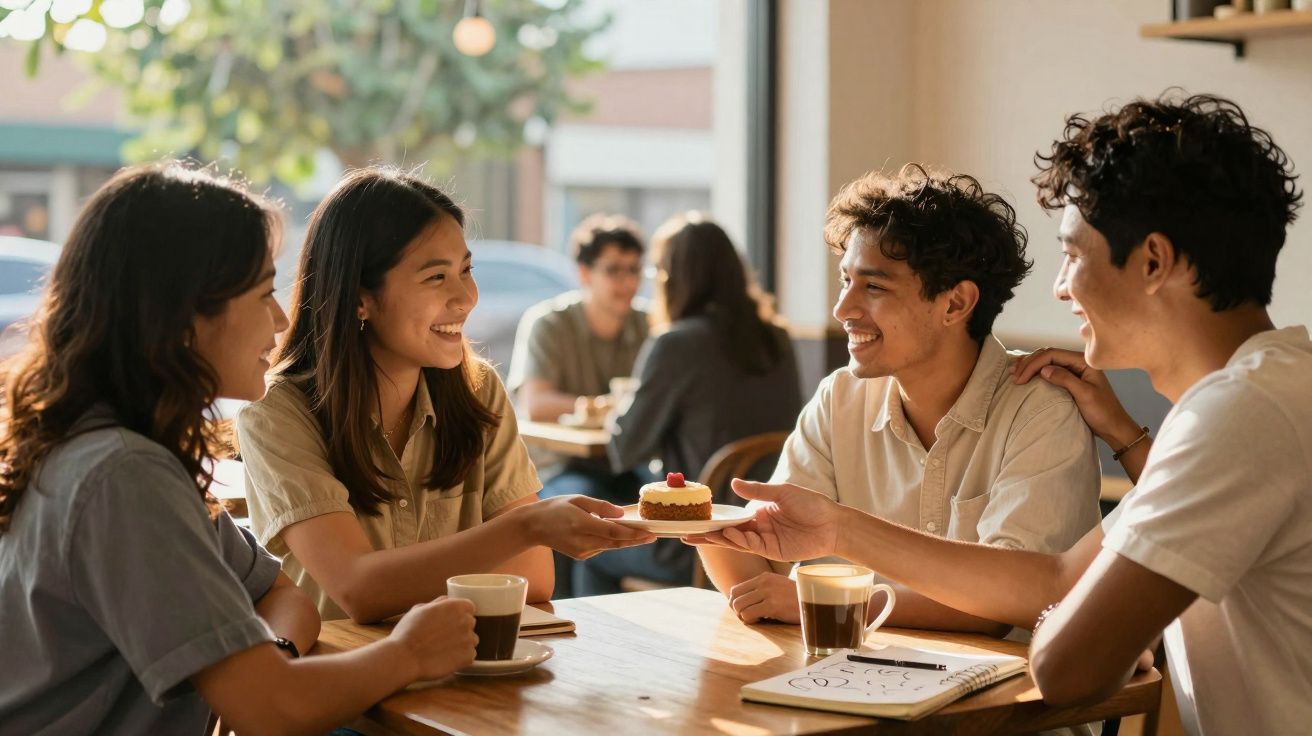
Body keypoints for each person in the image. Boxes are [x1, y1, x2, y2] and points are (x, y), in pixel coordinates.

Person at [689, 93, 1310, 735]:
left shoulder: (1240, 413)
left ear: (1152, 261)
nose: (1061, 286)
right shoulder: (1258, 395)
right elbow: (1059, 578)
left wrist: (1054, 612)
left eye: (1073, 254)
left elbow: (1069, 663)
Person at [0, 163, 482, 735]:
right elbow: (272, 709)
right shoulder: (122, 475)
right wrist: (410, 653)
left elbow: (280, 595)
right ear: (182, 316)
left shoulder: (127, 454)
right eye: (261, 294)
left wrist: (261, 660)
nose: (280, 320)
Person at [697, 166, 1102, 635]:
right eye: (845, 281)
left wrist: (830, 604)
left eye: (873, 286)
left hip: (1009, 697)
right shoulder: (841, 399)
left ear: (955, 304)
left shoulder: (1041, 409)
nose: (843, 310)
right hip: (858, 683)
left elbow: (1009, 602)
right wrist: (704, 525)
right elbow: (763, 561)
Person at [237, 167, 653, 622]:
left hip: (466, 674)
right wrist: (522, 528)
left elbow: (533, 581)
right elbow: (358, 588)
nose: (466, 297)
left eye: (466, 270)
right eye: (436, 278)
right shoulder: (277, 410)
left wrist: (431, 576)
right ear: (360, 297)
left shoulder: (479, 394)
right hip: (343, 682)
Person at [574, 213, 803, 596]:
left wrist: (624, 402)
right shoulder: (778, 339)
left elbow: (623, 449)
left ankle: (594, 647)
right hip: (767, 536)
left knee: (589, 544)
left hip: (691, 541)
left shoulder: (675, 344)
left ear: (672, 278)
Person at [508, 214, 651, 597]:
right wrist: (599, 406)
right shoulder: (549, 323)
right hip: (560, 463)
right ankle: (575, 615)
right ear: (585, 273)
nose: (627, 282)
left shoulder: (648, 324)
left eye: (634, 270)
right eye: (614, 270)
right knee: (583, 508)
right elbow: (536, 403)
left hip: (623, 460)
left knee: (664, 502)